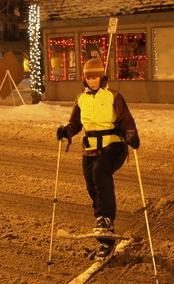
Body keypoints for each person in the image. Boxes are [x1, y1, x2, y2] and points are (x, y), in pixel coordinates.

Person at [57, 57, 140, 259]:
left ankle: (105, 219)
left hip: (114, 146)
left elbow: (127, 120)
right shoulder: (81, 98)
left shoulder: (113, 96)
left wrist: (131, 134)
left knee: (100, 172)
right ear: (84, 79)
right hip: (90, 148)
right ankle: (106, 238)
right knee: (93, 187)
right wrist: (66, 131)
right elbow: (75, 123)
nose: (92, 81)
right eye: (88, 77)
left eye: (95, 77)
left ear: (102, 77)